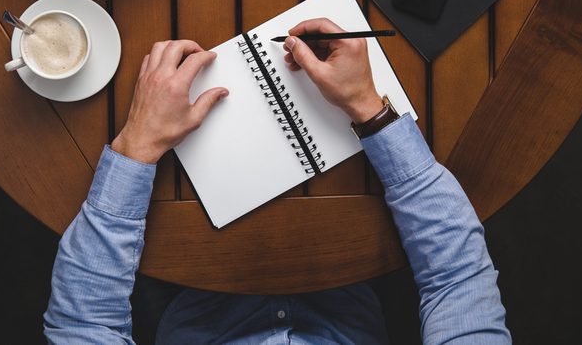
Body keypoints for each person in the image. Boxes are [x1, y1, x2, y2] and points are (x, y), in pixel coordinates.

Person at [43, 18, 511, 344]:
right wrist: (370, 110)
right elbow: (458, 280)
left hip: (190, 293)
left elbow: (84, 324)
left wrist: (138, 145)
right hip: (358, 291)